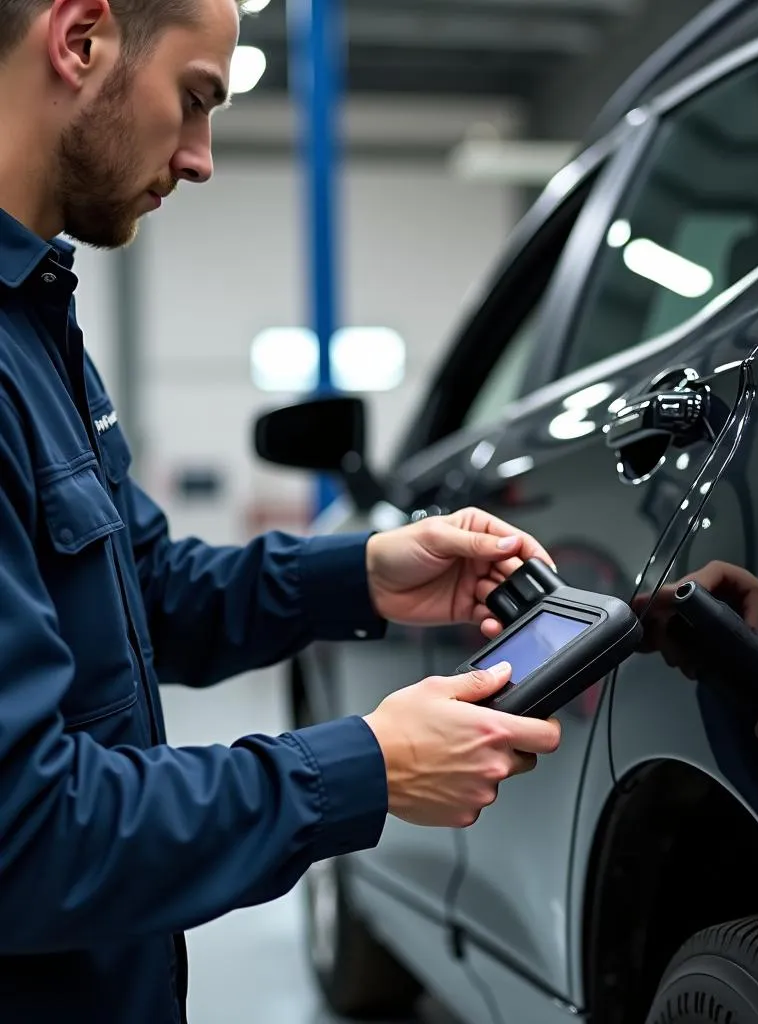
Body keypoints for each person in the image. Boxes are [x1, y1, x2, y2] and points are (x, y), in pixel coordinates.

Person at [0, 1, 561, 1021]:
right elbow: (21, 831)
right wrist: (366, 767)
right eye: (196, 100)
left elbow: (147, 590)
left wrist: (361, 572)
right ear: (79, 40)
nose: (203, 157)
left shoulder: (39, 326)